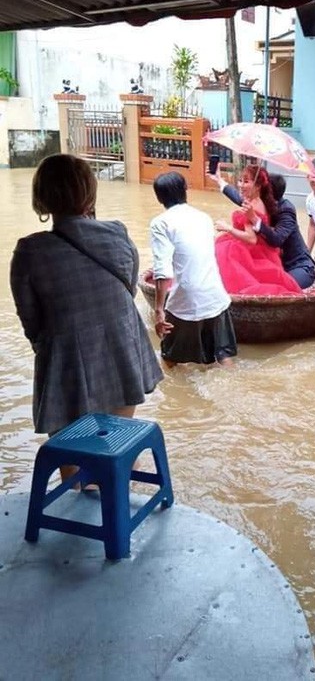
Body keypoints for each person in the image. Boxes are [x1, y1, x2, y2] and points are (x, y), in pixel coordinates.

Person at [10, 154, 163, 471]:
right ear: (89, 193)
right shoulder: (118, 234)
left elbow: (33, 325)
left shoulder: (29, 251)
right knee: (118, 459)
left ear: (42, 197)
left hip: (67, 372)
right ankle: (122, 511)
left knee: (74, 470)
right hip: (124, 360)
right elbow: (128, 290)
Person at [150, 172, 236, 368]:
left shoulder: (160, 223)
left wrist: (158, 311)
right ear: (185, 190)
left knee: (169, 356)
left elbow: (162, 271)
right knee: (221, 355)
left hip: (187, 298)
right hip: (215, 294)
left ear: (159, 198)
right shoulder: (203, 217)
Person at [209, 167, 315, 289]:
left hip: (297, 265)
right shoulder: (257, 201)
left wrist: (252, 219)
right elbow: (238, 197)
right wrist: (219, 180)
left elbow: (276, 239)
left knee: (281, 288)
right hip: (273, 261)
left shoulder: (285, 209)